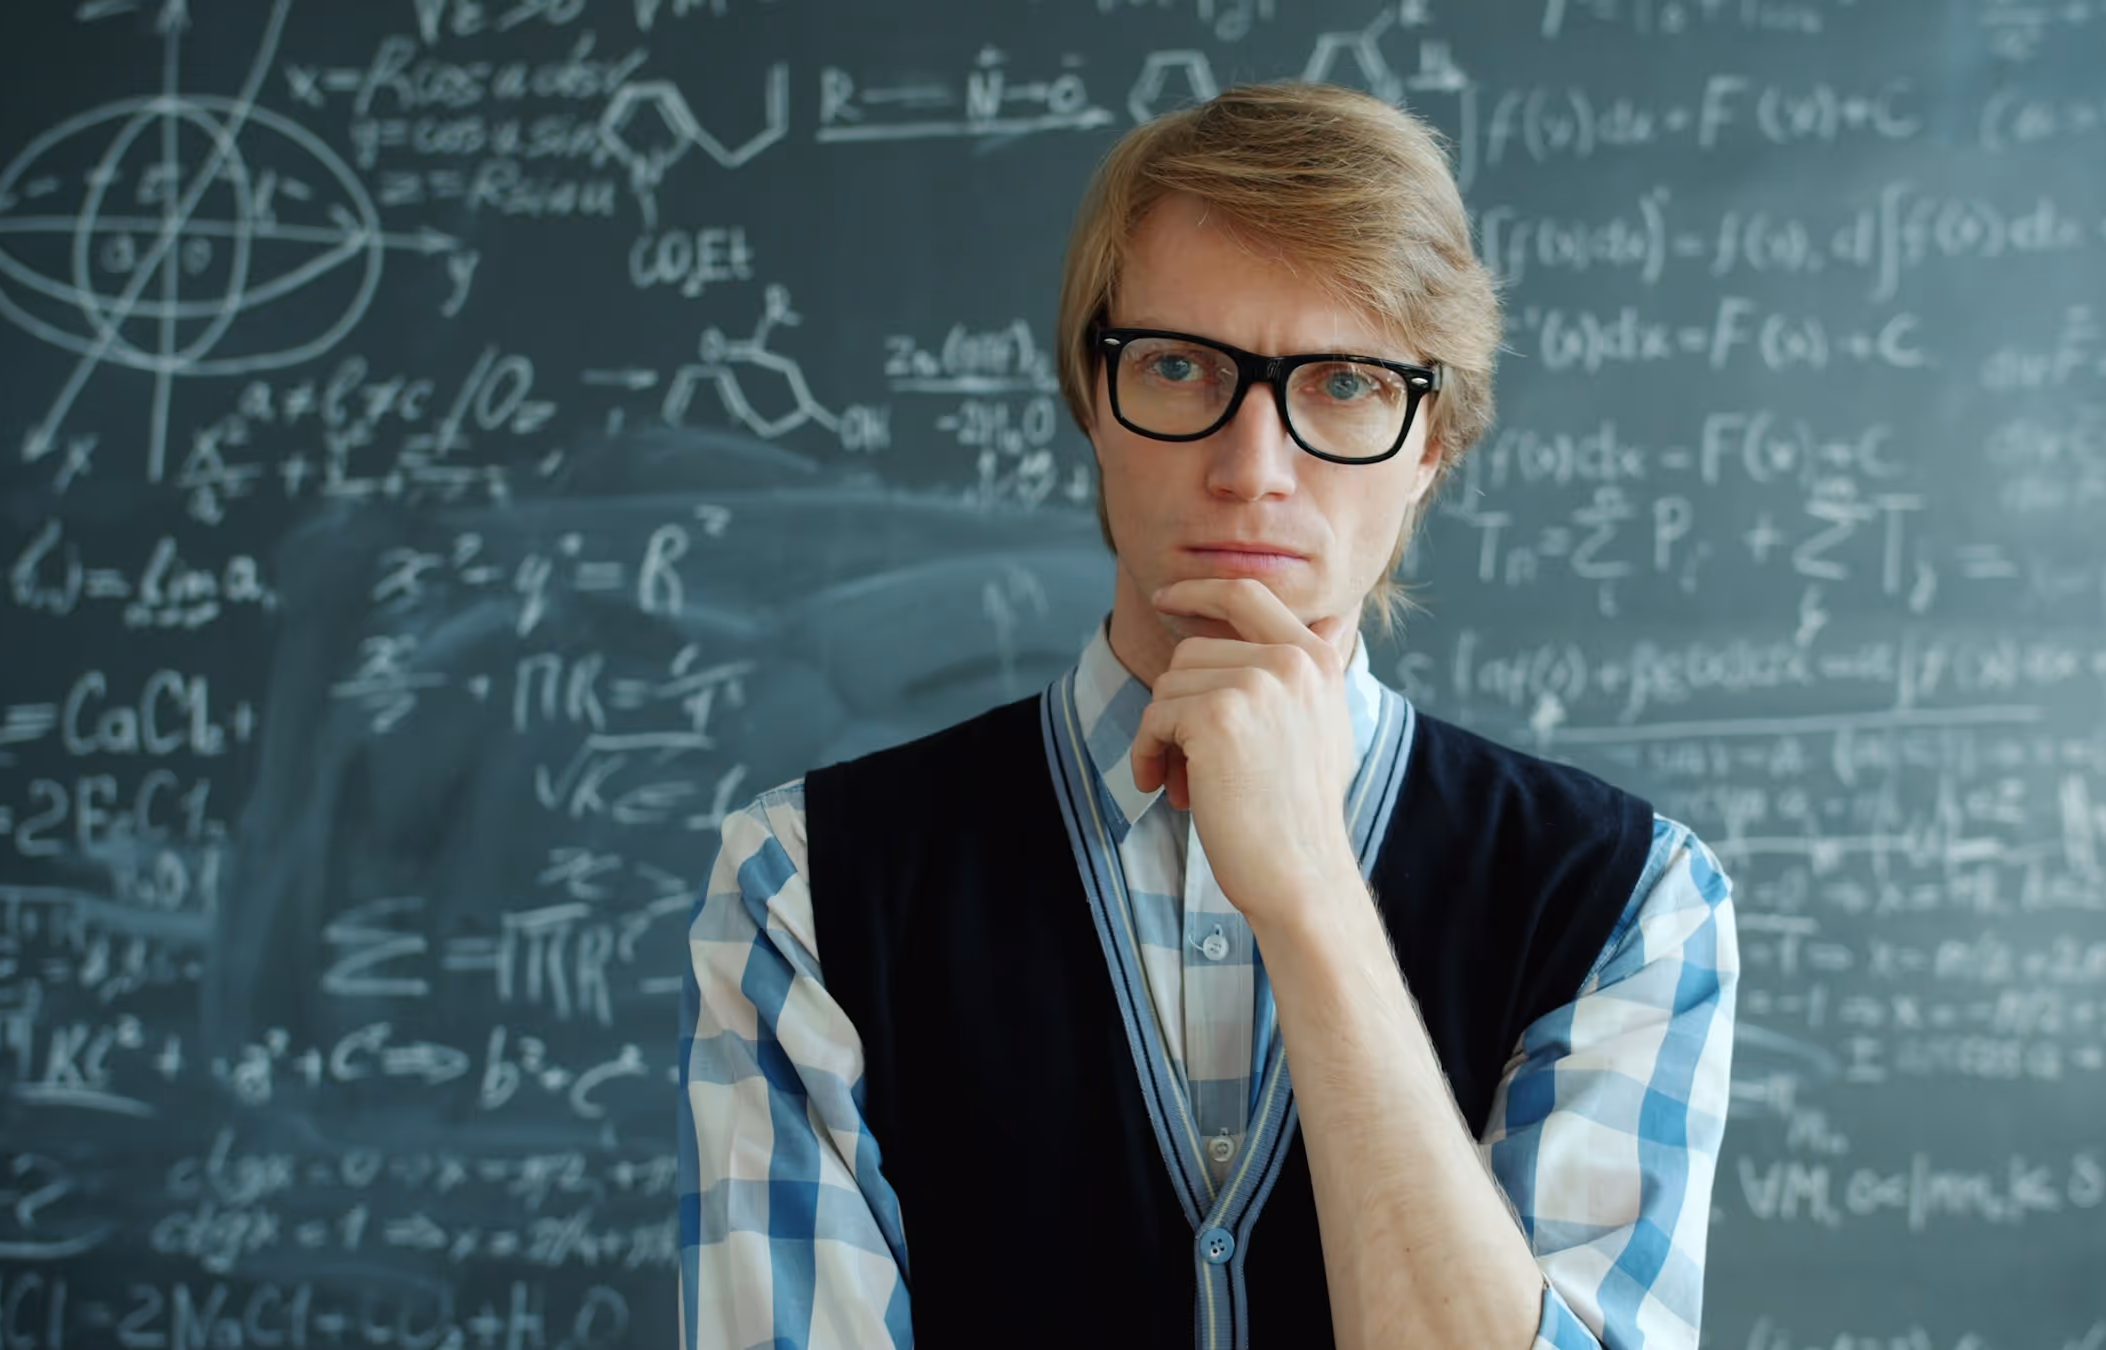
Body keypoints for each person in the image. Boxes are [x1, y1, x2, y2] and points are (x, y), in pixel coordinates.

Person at [680, 81, 1738, 1350]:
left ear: (1433, 445)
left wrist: (1312, 893)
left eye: (1344, 383)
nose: (1253, 466)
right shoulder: (806, 883)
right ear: (1090, 396)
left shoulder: (1627, 898)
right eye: (1180, 368)